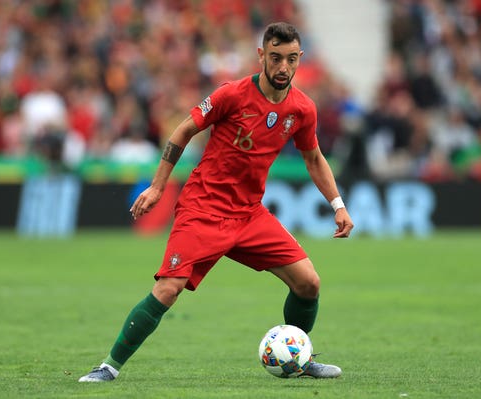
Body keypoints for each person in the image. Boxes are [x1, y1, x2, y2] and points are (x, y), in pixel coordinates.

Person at [79, 22, 354, 382]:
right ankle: (108, 367)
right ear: (261, 56)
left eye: (290, 59)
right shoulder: (232, 95)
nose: (283, 67)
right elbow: (183, 130)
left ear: (300, 58)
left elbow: (314, 158)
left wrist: (338, 205)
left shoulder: (302, 109)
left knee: (308, 283)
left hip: (249, 214)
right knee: (168, 288)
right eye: (275, 58)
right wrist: (158, 187)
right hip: (203, 208)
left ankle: (298, 359)